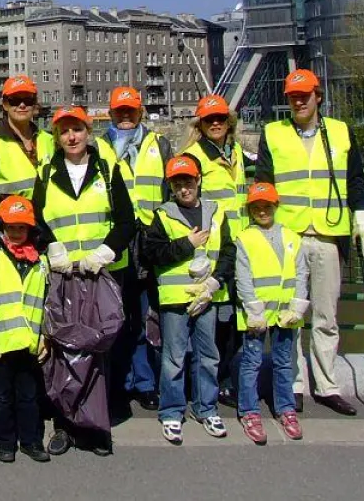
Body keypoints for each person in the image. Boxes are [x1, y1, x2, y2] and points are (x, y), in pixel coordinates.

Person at [254, 68, 364, 417]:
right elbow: (264, 184)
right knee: (289, 315)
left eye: (305, 94)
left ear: (317, 96)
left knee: (326, 315)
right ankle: (292, 385)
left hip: (327, 234)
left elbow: (355, 183)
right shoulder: (273, 133)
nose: (300, 100)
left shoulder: (340, 132)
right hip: (288, 237)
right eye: (293, 95)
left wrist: (362, 222)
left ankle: (327, 385)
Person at [34, 106, 135, 456]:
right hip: (63, 275)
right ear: (56, 137)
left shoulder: (108, 170)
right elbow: (36, 220)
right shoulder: (46, 172)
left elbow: (126, 221)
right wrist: (53, 247)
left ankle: (94, 429)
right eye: (64, 132)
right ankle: (63, 424)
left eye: (77, 129)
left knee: (97, 350)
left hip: (98, 273)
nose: (71, 137)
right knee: (63, 350)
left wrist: (104, 253)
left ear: (88, 132)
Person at [142, 154, 235, 446]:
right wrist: (187, 244)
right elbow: (152, 254)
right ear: (171, 186)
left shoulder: (216, 212)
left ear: (198, 181)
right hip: (175, 299)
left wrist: (215, 281)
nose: (184, 189)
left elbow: (229, 252)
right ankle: (171, 411)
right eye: (177, 183)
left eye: (188, 182)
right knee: (174, 358)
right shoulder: (163, 215)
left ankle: (206, 408)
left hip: (207, 296)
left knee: (209, 356)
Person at [98, 85, 171, 412]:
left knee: (144, 316)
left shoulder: (160, 145)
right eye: (119, 111)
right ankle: (117, 383)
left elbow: (171, 194)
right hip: (115, 241)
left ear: (140, 112)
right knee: (114, 317)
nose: (125, 116)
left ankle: (143, 382)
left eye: (130, 110)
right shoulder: (98, 148)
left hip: (151, 243)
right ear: (111, 113)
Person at [181, 93, 253, 408]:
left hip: (240, 244)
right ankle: (213, 383)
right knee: (214, 319)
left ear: (229, 122)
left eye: (220, 118)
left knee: (231, 318)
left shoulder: (234, 151)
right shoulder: (194, 155)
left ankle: (223, 378)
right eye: (209, 119)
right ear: (200, 123)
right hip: (213, 246)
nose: (215, 124)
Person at [235, 182, 310, 444]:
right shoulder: (245, 238)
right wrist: (253, 311)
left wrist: (298, 306)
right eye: (256, 207)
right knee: (251, 362)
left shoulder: (292, 237)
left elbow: (301, 273)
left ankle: (286, 409)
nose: (262, 211)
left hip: (285, 312)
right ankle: (249, 410)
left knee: (284, 362)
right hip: (257, 314)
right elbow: (242, 278)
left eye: (266, 206)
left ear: (275, 206)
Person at [0, 196, 51, 464]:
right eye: (11, 227)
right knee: (0, 397)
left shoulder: (41, 261)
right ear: (2, 227)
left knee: (29, 396)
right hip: (2, 342)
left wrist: (46, 336)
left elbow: (46, 302)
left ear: (31, 229)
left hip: (30, 342)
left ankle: (31, 441)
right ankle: (3, 441)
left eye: (22, 227)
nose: (16, 232)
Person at [0, 74, 55, 201]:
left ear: (34, 104)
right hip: (5, 219)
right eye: (15, 100)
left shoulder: (48, 140)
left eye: (28, 100)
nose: (22, 105)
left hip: (46, 219)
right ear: (5, 104)